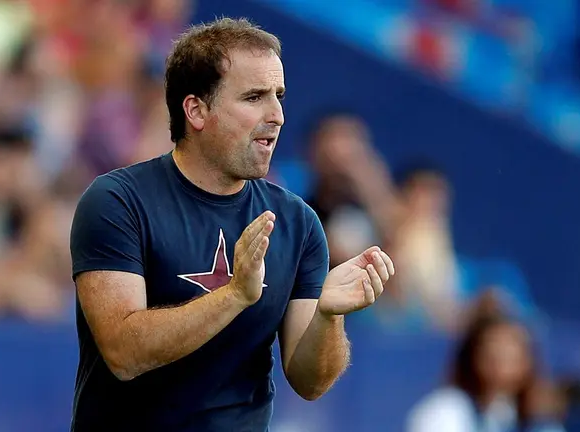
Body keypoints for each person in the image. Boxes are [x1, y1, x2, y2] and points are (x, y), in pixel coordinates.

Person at [68, 17, 395, 432]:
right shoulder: (118, 201)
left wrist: (329, 317)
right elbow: (123, 353)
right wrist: (234, 295)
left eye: (279, 96)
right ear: (197, 110)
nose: (276, 115)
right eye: (254, 97)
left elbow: (311, 382)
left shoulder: (297, 222)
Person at [406, 314, 566, 432]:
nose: (501, 362)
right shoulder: (445, 410)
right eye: (492, 353)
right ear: (472, 357)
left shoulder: (543, 424)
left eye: (511, 354)